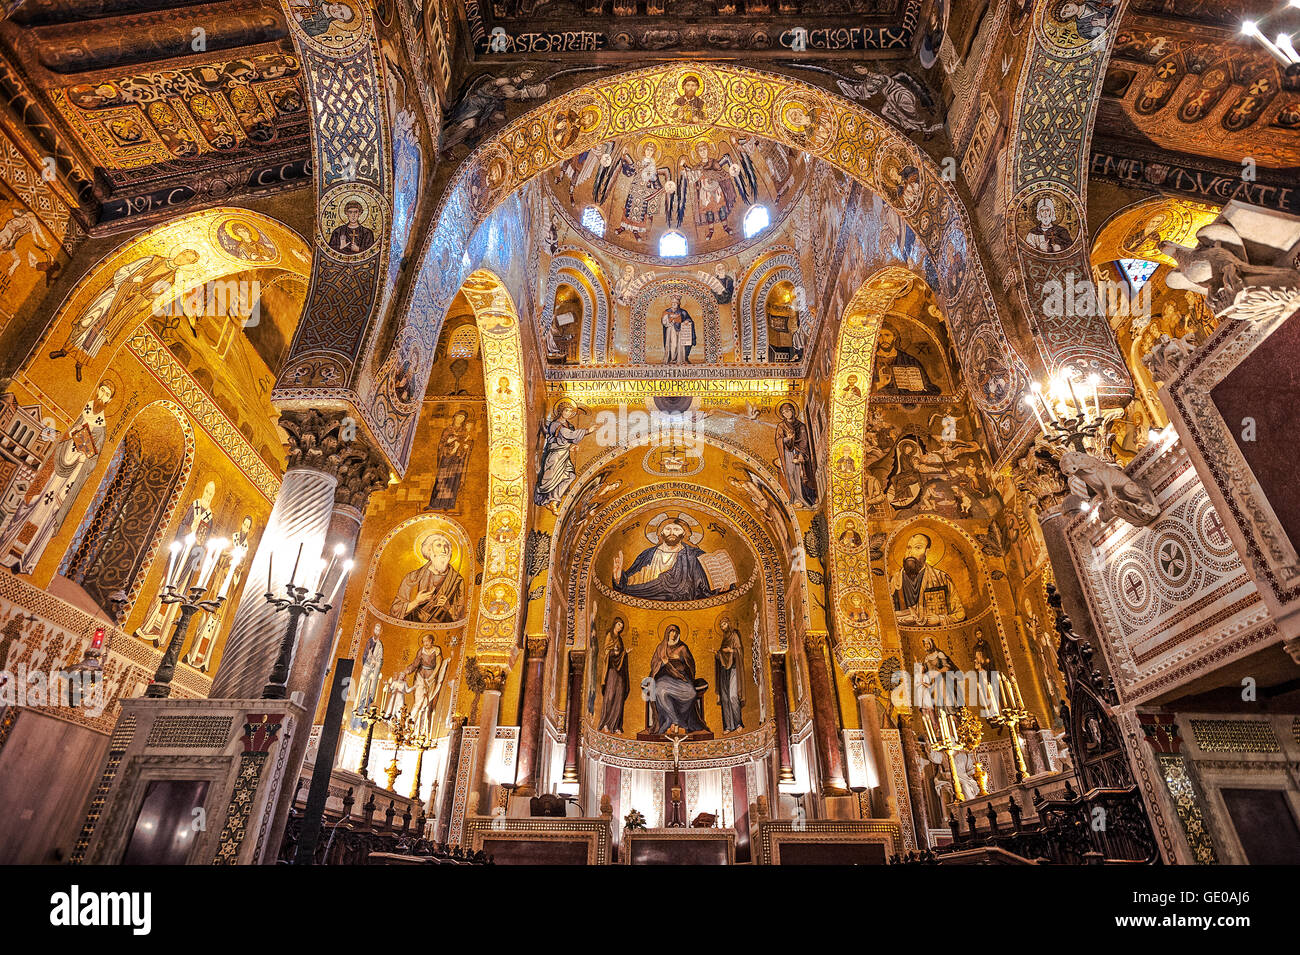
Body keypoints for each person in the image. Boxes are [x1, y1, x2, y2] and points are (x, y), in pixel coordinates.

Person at [613, 519, 715, 601]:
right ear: (661, 533)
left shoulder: (693, 556)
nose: (672, 532)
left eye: (676, 529)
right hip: (647, 599)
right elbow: (632, 579)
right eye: (668, 529)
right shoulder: (647, 554)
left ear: (684, 533)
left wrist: (722, 586)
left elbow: (705, 585)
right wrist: (619, 579)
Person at [890, 532, 966, 626]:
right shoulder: (896, 580)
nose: (911, 552)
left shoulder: (941, 578)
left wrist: (940, 619)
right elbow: (887, 614)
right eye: (909, 548)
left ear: (926, 552)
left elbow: (960, 614)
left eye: (918, 547)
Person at [390, 533, 466, 623]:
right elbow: (394, 611)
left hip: (441, 631)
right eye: (439, 545)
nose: (444, 550)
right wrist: (416, 602)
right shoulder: (412, 578)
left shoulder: (457, 580)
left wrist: (448, 607)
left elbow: (461, 617)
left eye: (446, 546)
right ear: (429, 550)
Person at [647, 625, 707, 733]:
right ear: (667, 633)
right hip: (664, 677)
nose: (673, 634)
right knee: (660, 690)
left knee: (691, 693)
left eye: (676, 632)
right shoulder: (661, 648)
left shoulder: (682, 648)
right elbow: (654, 664)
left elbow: (690, 664)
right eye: (671, 632)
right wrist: (663, 663)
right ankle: (673, 720)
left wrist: (680, 669)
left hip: (681, 677)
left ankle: (681, 719)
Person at [534, 400, 587, 512]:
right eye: (566, 411)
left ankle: (554, 500)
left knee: (571, 476)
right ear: (560, 411)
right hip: (556, 455)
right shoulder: (555, 424)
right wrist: (587, 431)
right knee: (550, 480)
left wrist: (572, 445)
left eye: (570, 412)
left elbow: (569, 438)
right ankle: (549, 499)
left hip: (564, 455)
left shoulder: (570, 425)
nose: (568, 413)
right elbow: (567, 435)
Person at [775, 401, 818, 507]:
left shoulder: (801, 426)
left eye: (788, 411)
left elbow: (804, 441)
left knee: (801, 475)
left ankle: (805, 497)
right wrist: (787, 439)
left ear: (793, 411)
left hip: (799, 453)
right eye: (784, 412)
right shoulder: (781, 426)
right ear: (782, 415)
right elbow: (778, 440)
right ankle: (796, 497)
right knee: (790, 475)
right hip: (788, 454)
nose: (787, 414)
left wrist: (802, 454)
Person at [428, 410, 473, 510]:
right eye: (459, 416)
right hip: (446, 458)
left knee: (452, 481)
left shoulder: (464, 431)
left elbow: (469, 443)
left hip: (457, 459)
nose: (460, 419)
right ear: (454, 417)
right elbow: (441, 445)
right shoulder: (447, 430)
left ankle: (447, 505)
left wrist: (465, 447)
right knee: (441, 480)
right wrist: (449, 442)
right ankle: (433, 504)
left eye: (463, 418)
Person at [597, 617, 630, 733]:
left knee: (619, 697)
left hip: (620, 673)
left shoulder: (620, 639)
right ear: (615, 623)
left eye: (622, 626)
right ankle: (606, 723)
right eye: (619, 625)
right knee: (610, 696)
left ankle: (616, 725)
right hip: (611, 671)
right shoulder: (609, 636)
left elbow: (620, 653)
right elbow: (606, 652)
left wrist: (624, 653)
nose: (620, 627)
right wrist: (614, 652)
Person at [714, 616, 745, 733]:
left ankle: (738, 723)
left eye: (724, 624)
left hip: (733, 668)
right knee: (725, 698)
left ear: (729, 624)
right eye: (721, 626)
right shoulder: (724, 639)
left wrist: (731, 651)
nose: (723, 627)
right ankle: (727, 726)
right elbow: (722, 656)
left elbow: (740, 651)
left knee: (733, 696)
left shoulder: (735, 635)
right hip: (723, 670)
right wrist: (717, 653)